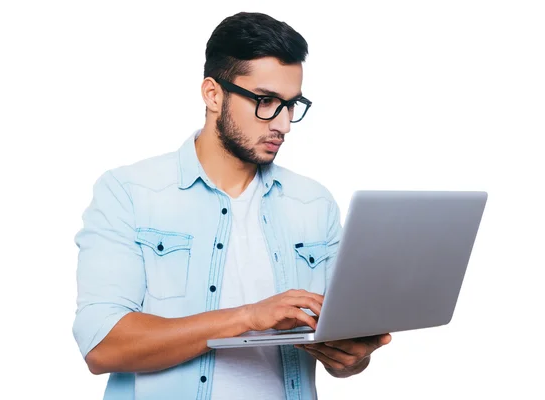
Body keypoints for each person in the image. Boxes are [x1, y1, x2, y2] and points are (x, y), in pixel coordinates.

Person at [72, 11, 391, 400]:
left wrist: (351, 358)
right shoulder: (128, 192)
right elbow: (102, 345)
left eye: (292, 104)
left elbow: (340, 348)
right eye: (266, 101)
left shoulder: (314, 204)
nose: (283, 124)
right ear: (213, 94)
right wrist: (247, 317)